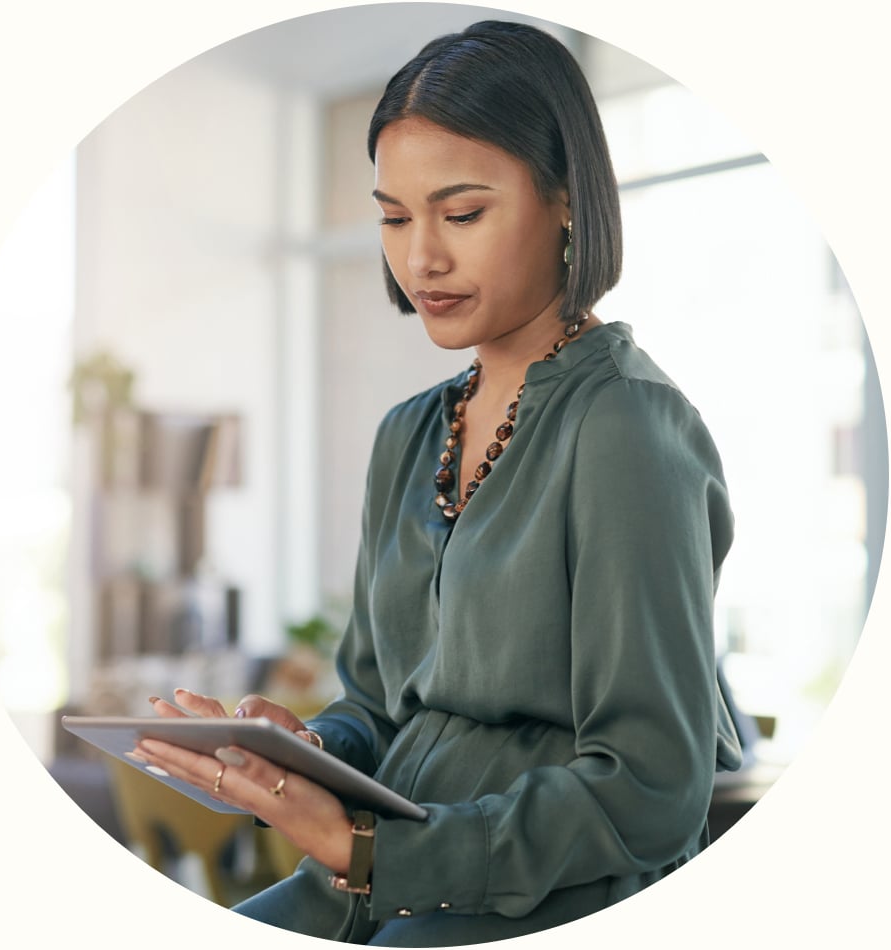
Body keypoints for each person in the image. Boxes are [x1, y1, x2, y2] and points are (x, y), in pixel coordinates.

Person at [132, 19, 743, 947]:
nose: (421, 258)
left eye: (461, 214)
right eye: (392, 215)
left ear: (567, 200)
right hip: (373, 878)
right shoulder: (408, 434)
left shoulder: (626, 428)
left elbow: (652, 789)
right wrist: (302, 752)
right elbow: (378, 709)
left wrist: (377, 852)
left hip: (542, 893)